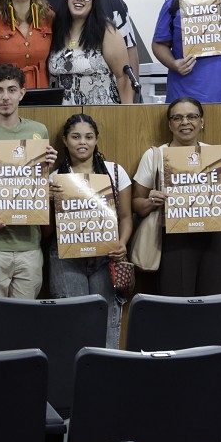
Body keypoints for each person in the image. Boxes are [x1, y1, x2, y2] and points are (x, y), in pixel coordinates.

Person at [0, 64, 56, 301]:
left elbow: (38, 183)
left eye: (12, 89)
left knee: (24, 321)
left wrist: (50, 165)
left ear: (22, 93)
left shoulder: (38, 131)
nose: (5, 97)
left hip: (29, 243)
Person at [132, 97, 221, 296]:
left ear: (201, 122)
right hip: (173, 240)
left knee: (213, 301)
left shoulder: (213, 156)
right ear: (170, 124)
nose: (185, 122)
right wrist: (151, 201)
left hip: (213, 238)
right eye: (177, 118)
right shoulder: (155, 155)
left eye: (192, 116)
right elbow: (136, 204)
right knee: (176, 303)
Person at [48, 113, 132, 347]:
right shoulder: (55, 178)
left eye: (88, 136)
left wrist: (122, 243)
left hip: (106, 257)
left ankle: (106, 375)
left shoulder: (115, 172)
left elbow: (125, 217)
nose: (82, 142)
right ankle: (73, 379)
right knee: (73, 321)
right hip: (67, 259)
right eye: (75, 137)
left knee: (107, 320)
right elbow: (45, 233)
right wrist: (46, 202)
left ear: (96, 140)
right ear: (65, 140)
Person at [43, 0, 140, 100]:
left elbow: (127, 61)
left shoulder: (109, 6)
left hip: (102, 110)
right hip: (60, 111)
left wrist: (130, 105)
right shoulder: (44, 8)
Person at [47, 0, 131, 105]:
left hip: (101, 113)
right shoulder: (55, 29)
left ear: (94, 1)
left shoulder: (106, 31)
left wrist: (127, 113)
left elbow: (122, 76)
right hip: (62, 115)